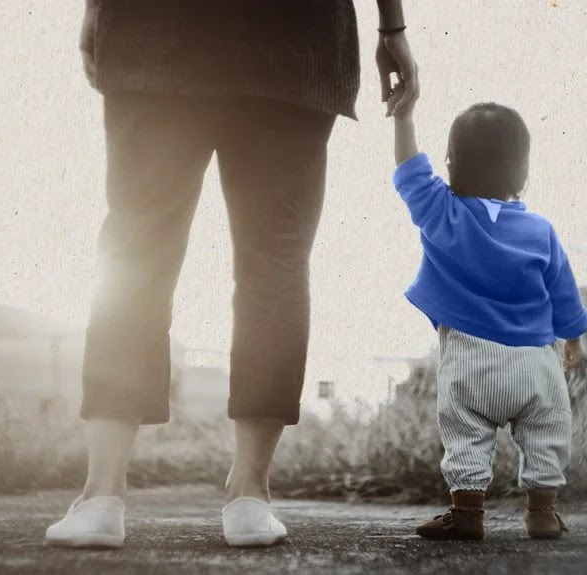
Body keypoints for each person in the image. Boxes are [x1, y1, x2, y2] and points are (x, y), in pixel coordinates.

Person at [46, 0, 419, 549]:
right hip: (293, 41)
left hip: (155, 32)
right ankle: (249, 494)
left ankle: (101, 495)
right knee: (276, 258)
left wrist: (95, 11)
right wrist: (392, 27)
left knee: (135, 252)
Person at [386, 85, 587, 541]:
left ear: (452, 165)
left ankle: (467, 513)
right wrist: (573, 338)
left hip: (469, 359)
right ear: (522, 170)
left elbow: (410, 172)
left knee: (465, 435)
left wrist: (404, 117)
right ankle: (542, 513)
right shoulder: (540, 230)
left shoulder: (443, 213)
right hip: (536, 361)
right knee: (546, 433)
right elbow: (564, 290)